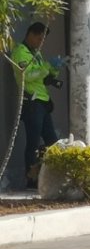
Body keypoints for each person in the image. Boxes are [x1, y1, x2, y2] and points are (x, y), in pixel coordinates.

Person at [10, 23, 63, 188]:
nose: (41, 42)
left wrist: (55, 69)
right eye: (39, 38)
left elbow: (43, 77)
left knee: (52, 142)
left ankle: (52, 178)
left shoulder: (35, 54)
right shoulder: (20, 52)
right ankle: (31, 181)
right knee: (33, 143)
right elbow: (28, 75)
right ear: (31, 34)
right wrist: (47, 67)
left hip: (42, 102)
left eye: (43, 40)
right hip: (31, 103)